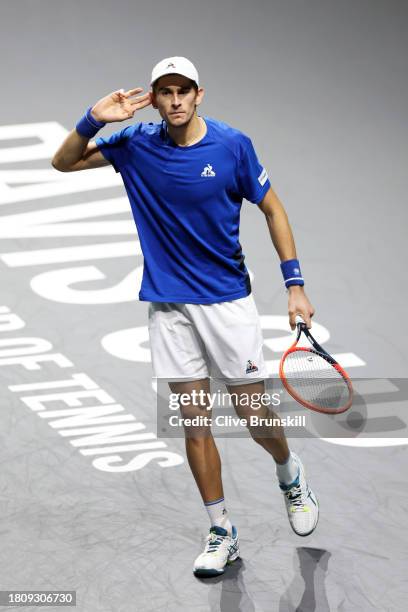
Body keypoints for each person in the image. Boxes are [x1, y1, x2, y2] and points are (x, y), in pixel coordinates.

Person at [52, 56, 319, 577]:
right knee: (195, 423)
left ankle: (290, 474)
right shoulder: (134, 145)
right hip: (170, 307)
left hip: (227, 303)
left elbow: (273, 208)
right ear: (152, 98)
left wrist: (295, 285)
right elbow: (63, 163)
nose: (174, 101)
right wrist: (92, 119)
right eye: (164, 92)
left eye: (183, 91)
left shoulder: (231, 145)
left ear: (200, 95)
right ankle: (221, 530)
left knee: (254, 416)